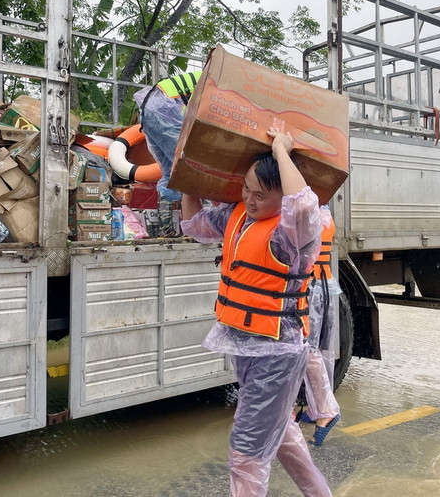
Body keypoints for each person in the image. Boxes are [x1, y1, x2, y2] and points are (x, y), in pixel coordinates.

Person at [181, 127, 332, 497]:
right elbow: (195, 226)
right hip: (247, 348)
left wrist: (282, 151)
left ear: (280, 198)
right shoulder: (238, 216)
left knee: (246, 451)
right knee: (280, 435)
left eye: (260, 195)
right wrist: (189, 182)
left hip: (277, 353)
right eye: (246, 188)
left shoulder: (291, 234)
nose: (249, 198)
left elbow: (304, 205)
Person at [134, 71, 201, 237]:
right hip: (165, 108)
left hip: (149, 110)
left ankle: (166, 230)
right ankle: (197, 230)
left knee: (169, 170)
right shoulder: (221, 83)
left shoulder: (211, 75)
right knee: (190, 168)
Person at [299, 206, 342, 447]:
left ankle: (325, 411)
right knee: (322, 350)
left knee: (308, 350)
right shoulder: (325, 214)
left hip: (313, 289)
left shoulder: (312, 217)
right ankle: (318, 409)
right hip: (324, 284)